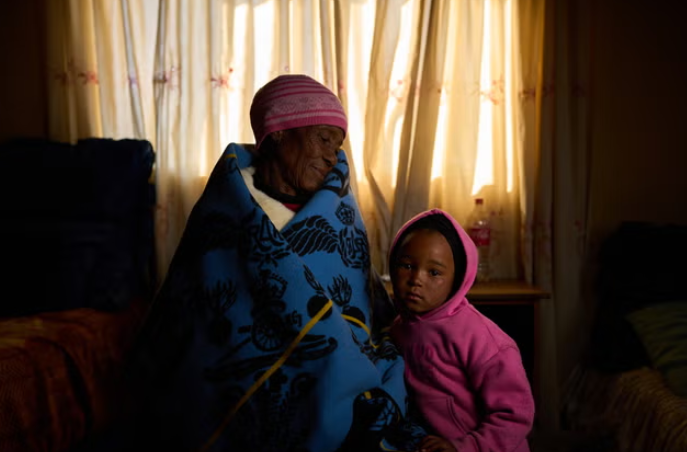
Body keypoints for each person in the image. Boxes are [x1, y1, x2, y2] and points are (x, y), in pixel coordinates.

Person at [122, 74, 425, 452]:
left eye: (337, 145)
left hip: (332, 375)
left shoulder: (339, 216)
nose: (333, 156)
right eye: (323, 139)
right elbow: (193, 313)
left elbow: (360, 307)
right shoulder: (226, 209)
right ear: (279, 131)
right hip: (234, 383)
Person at [389, 209, 535, 452]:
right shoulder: (398, 329)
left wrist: (465, 447)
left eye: (434, 272)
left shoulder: (483, 341)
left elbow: (515, 416)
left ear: (458, 279)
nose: (416, 279)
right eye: (407, 265)